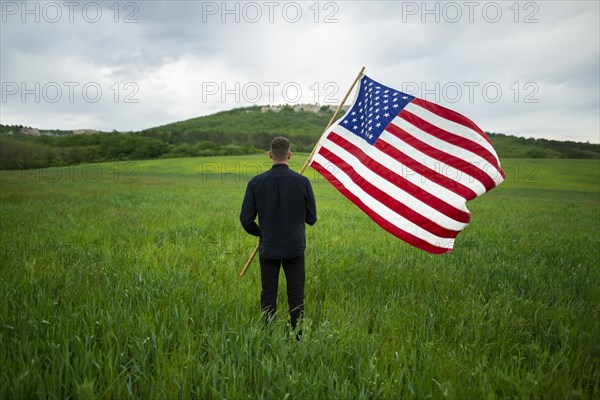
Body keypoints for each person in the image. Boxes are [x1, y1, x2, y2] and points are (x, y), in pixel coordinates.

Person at [240, 137, 317, 337]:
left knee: (268, 293)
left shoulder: (255, 183)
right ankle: (298, 336)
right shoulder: (302, 182)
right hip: (294, 248)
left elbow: (246, 220)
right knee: (296, 294)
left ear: (270, 154)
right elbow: (312, 218)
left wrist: (262, 233)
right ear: (289, 155)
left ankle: (268, 335)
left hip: (269, 247)